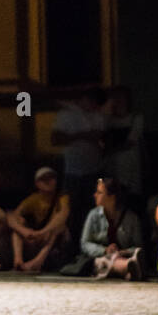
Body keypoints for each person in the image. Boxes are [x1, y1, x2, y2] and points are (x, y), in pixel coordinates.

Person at [52, 88, 107, 242]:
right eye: (92, 102)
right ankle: (73, 247)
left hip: (94, 170)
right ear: (84, 99)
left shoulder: (99, 116)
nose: (94, 106)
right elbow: (55, 139)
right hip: (73, 171)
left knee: (92, 209)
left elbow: (101, 138)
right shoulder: (67, 115)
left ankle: (91, 244)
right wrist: (83, 135)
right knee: (72, 211)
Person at [7, 166, 71, 273]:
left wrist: (43, 232)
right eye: (43, 179)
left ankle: (37, 262)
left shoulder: (62, 198)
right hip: (38, 238)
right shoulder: (34, 199)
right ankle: (18, 261)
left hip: (56, 241)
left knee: (58, 227)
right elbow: (11, 217)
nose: (48, 182)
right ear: (37, 183)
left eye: (51, 178)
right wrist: (25, 231)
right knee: (18, 225)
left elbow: (62, 216)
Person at [78, 176, 144, 279]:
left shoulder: (131, 218)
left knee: (118, 258)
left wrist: (124, 252)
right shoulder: (93, 215)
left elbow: (138, 246)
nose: (95, 195)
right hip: (100, 258)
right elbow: (85, 243)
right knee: (102, 262)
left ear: (112, 196)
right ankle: (127, 267)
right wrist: (104, 250)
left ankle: (127, 268)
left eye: (99, 193)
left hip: (123, 256)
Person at [102, 87, 144, 207]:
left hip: (129, 161)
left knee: (129, 191)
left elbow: (131, 141)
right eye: (116, 98)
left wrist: (113, 150)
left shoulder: (135, 118)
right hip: (112, 163)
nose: (118, 100)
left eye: (121, 97)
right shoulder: (109, 120)